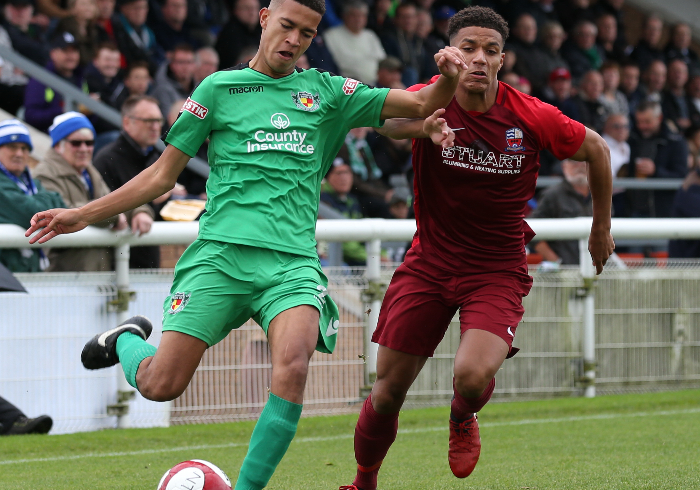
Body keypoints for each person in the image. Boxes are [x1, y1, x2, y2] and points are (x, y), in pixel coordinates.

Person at [26, 2, 468, 489]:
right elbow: (160, 177)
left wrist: (447, 76)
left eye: (307, 32)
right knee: (160, 385)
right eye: (287, 26)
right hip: (220, 258)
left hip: (292, 265)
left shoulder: (328, 92)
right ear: (263, 18)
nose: (295, 40)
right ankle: (126, 340)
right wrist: (79, 215)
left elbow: (422, 105)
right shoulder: (217, 89)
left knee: (294, 365)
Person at [338, 7, 614, 490]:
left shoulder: (530, 115)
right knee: (386, 392)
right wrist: (424, 126)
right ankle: (364, 481)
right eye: (468, 48)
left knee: (469, 376)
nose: (479, 59)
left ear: (502, 60)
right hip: (429, 262)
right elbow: (385, 125)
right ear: (451, 53)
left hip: (497, 267)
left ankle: (462, 415)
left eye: (490, 50)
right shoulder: (432, 97)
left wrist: (599, 228)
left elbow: (598, 150)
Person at [32, 112, 129, 271]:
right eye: (76, 143)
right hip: (64, 275)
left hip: (96, 270)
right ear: (58, 145)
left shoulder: (90, 171)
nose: (84, 148)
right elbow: (64, 211)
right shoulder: (44, 174)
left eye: (89, 142)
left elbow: (115, 201)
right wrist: (115, 216)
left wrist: (141, 211)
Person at [92, 95, 162, 268]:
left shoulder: (157, 158)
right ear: (127, 122)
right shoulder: (106, 159)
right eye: (149, 120)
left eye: (159, 120)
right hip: (116, 263)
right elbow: (105, 207)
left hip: (149, 256)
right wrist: (153, 199)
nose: (155, 127)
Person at [0, 119, 65, 273]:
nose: (19, 154)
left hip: (27, 272)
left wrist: (44, 203)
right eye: (12, 147)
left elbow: (61, 203)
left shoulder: (32, 183)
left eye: (24, 148)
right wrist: (46, 201)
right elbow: (30, 214)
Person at [627, 100, 688, 217]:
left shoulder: (676, 142)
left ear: (659, 118)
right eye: (639, 122)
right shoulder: (632, 139)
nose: (642, 126)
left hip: (663, 212)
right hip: (634, 210)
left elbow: (682, 177)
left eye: (647, 122)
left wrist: (655, 171)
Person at [530, 159, 593, 265]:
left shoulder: (601, 194)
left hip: (595, 269)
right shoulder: (552, 195)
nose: (580, 165)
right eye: (573, 161)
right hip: (563, 271)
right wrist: (555, 260)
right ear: (564, 166)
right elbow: (530, 228)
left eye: (584, 161)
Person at [23, 31, 88, 133]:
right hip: (49, 137)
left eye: (74, 51)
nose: (71, 56)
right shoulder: (40, 79)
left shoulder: (81, 77)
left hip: (78, 135)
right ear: (53, 53)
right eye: (65, 51)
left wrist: (91, 111)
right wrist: (63, 111)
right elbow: (31, 116)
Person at [324, 0, 386, 86]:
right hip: (347, 85)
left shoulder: (370, 35)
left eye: (362, 16)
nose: (358, 19)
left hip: (376, 84)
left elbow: (382, 61)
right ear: (344, 16)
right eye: (354, 15)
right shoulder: (331, 35)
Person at [320, 158, 366, 266]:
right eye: (339, 173)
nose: (344, 178)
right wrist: (369, 255)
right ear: (328, 176)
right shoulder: (321, 201)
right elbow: (343, 242)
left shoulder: (353, 201)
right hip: (331, 259)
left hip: (355, 257)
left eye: (347, 172)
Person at [215, 0, 261, 70]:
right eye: (247, 8)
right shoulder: (229, 33)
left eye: (255, 8)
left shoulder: (262, 30)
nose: (252, 12)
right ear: (237, 11)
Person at [153, 43, 196, 116]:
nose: (185, 67)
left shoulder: (199, 87)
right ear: (172, 65)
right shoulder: (162, 89)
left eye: (189, 62)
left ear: (194, 65)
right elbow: (171, 120)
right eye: (181, 62)